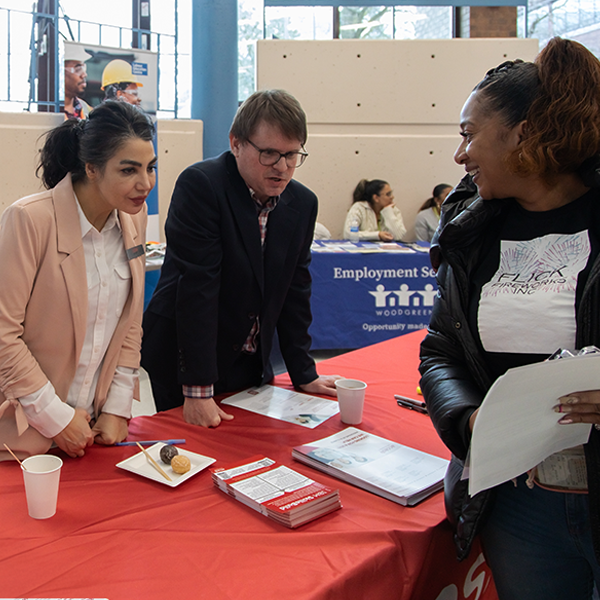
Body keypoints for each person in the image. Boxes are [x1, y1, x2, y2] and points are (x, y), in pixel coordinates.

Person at [419, 38, 600, 599]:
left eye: (469, 133)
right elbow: (440, 351)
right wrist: (468, 420)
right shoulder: (472, 235)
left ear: (523, 132)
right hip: (518, 506)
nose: (460, 155)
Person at [141, 89, 339, 428]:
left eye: (292, 155)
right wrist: (198, 390)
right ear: (236, 143)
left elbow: (294, 290)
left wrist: (304, 372)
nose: (282, 168)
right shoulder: (202, 185)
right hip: (185, 357)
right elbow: (197, 289)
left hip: (250, 359)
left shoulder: (302, 203)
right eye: (269, 154)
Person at [0, 101, 156, 461]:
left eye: (150, 168)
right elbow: (4, 334)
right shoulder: (29, 220)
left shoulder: (135, 218)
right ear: (92, 169)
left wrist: (118, 407)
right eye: (129, 170)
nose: (145, 183)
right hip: (23, 440)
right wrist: (56, 419)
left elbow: (130, 323)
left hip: (93, 433)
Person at [64, 45, 93, 120]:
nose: (84, 75)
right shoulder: (48, 111)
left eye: (84, 68)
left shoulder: (86, 109)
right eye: (78, 68)